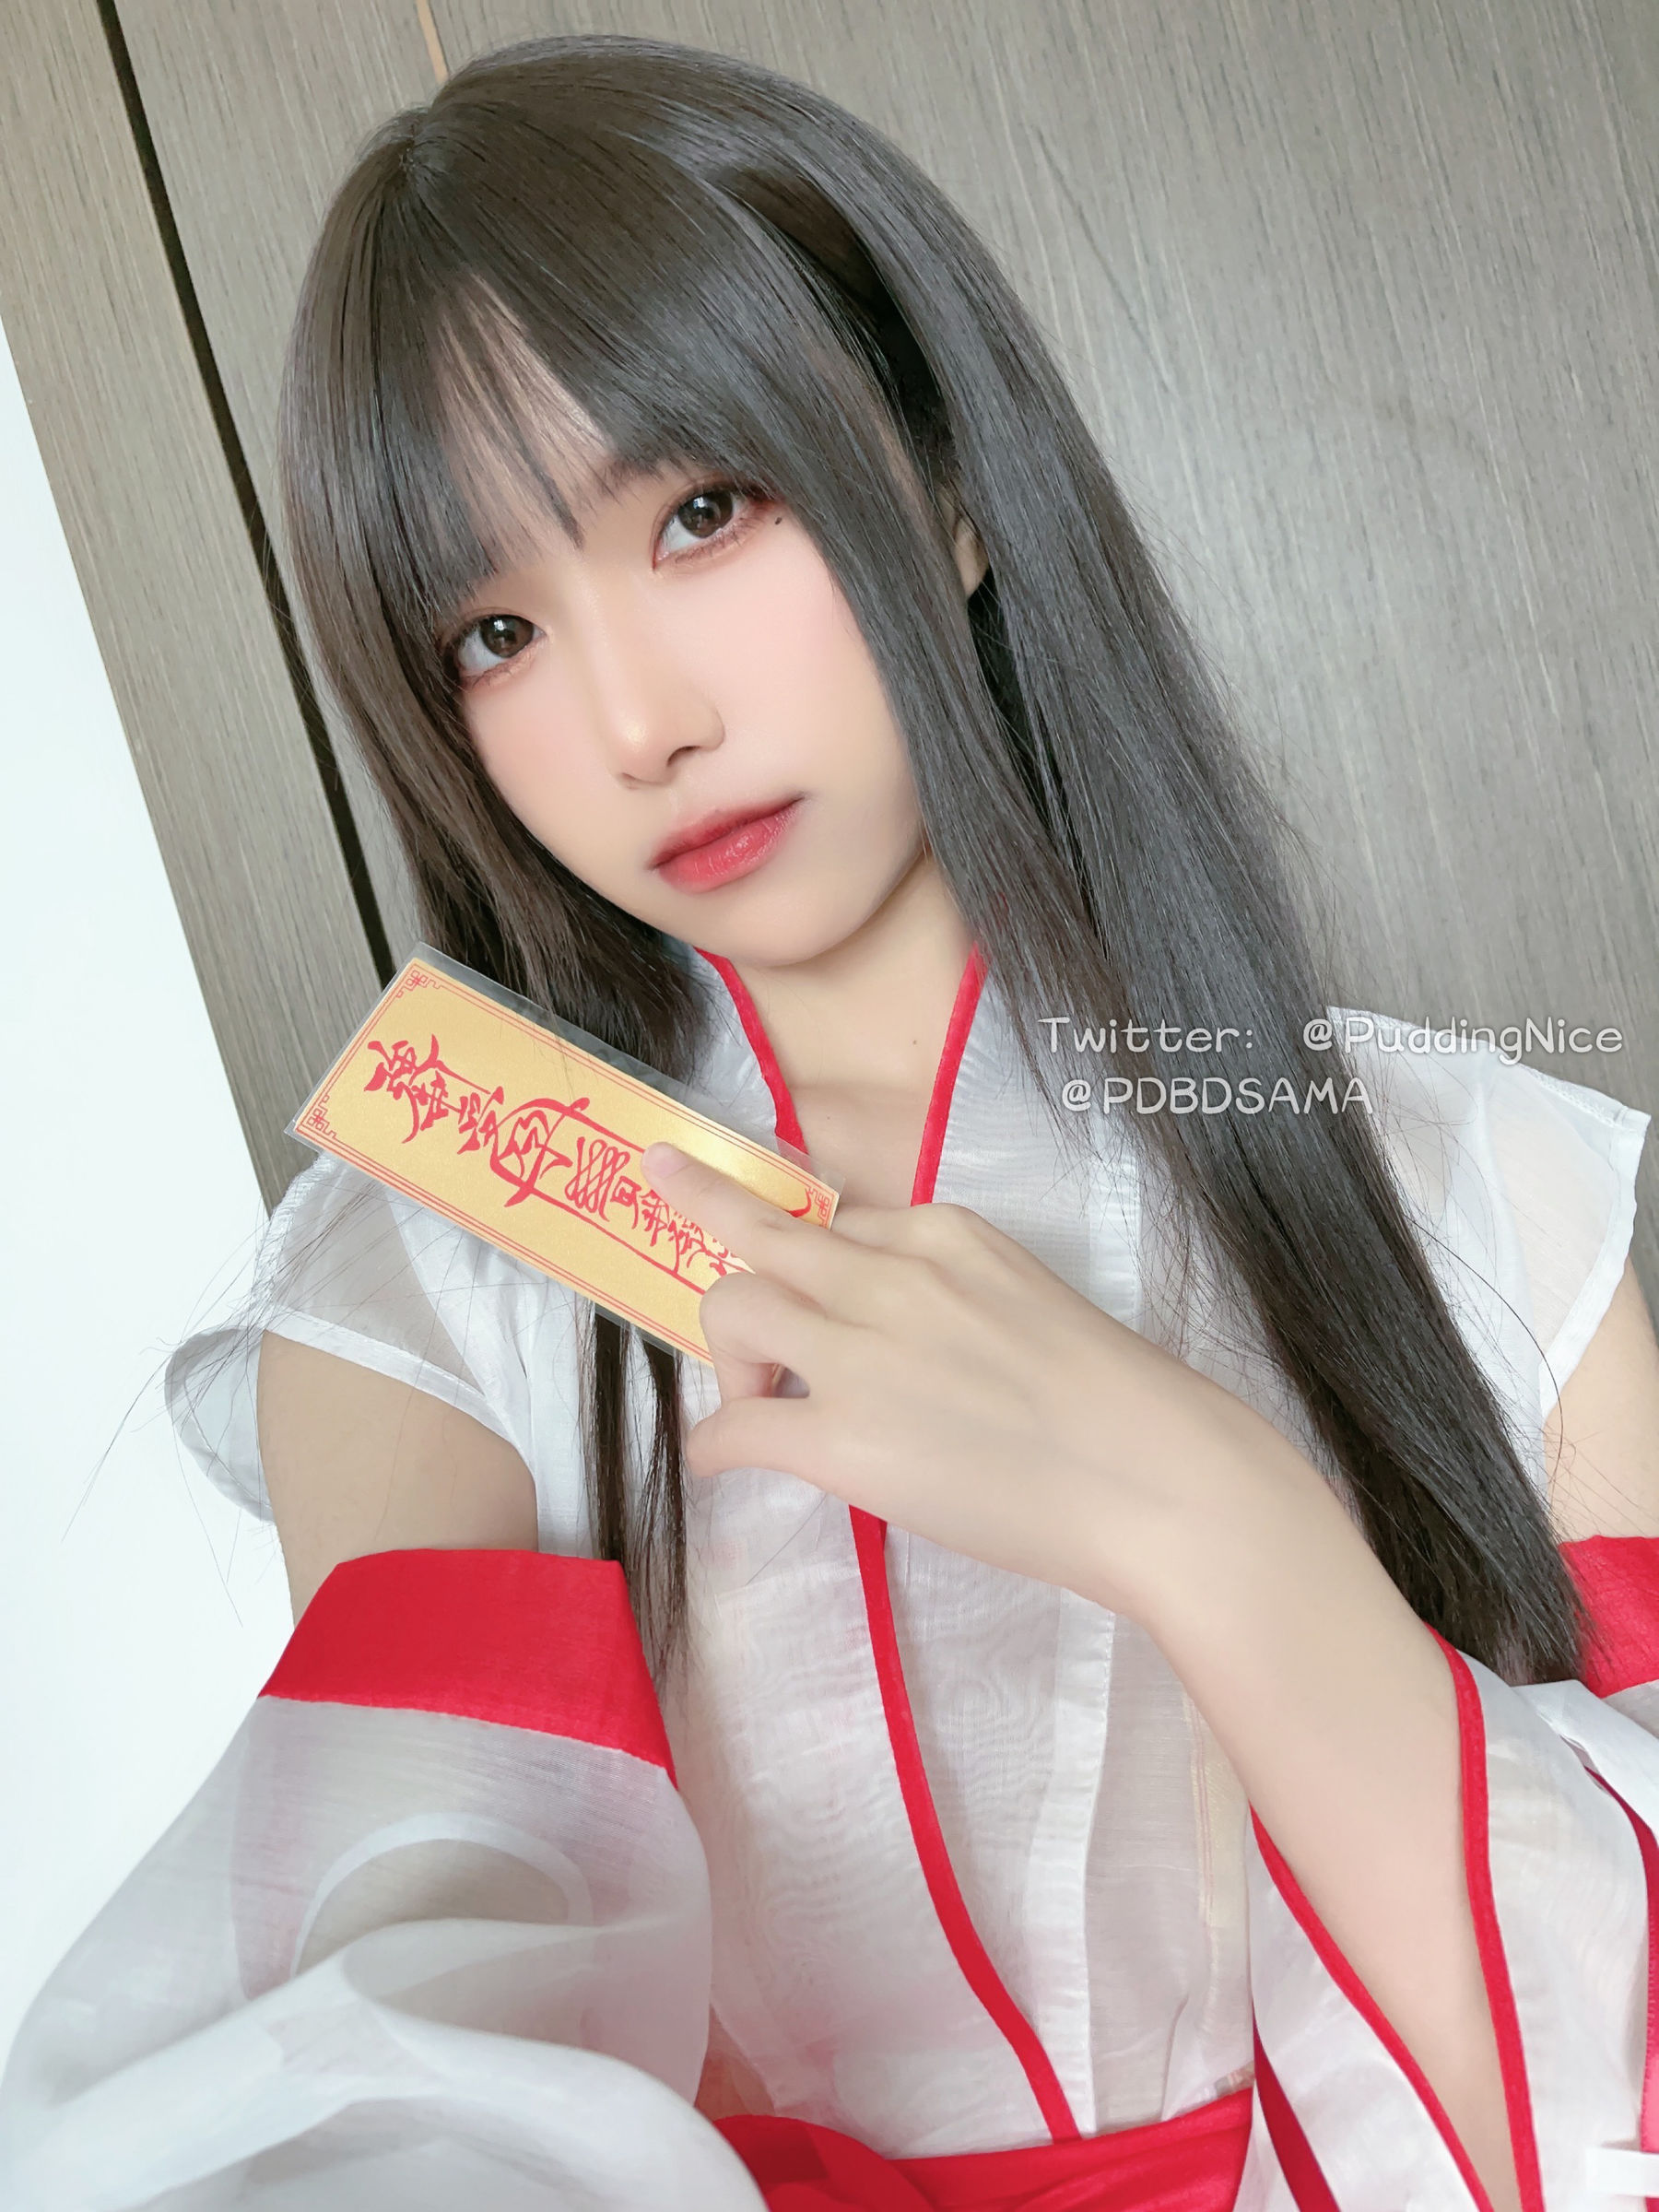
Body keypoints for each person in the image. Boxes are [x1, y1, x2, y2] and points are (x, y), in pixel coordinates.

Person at [5, 29, 1659, 2212]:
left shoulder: (1481, 1181)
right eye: (493, 630)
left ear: (950, 488)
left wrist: (1210, 1522)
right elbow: (410, 2087)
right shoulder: (435, 1268)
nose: (638, 721)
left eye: (705, 511)